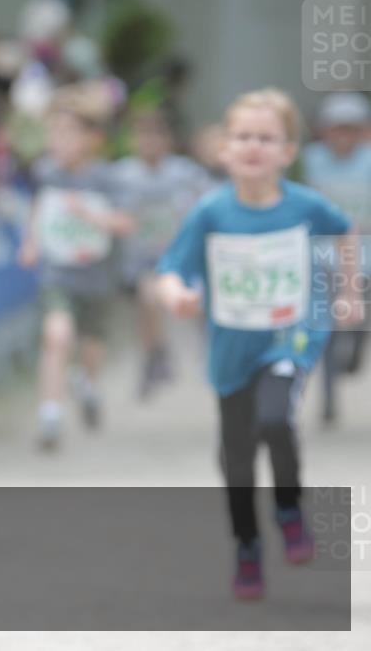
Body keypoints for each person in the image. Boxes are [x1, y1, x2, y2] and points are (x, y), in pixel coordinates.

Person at [156, 89, 364, 600]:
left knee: (276, 416)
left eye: (266, 138)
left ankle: (289, 509)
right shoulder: (211, 211)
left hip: (288, 335)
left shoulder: (304, 204)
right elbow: (170, 270)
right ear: (224, 149)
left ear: (288, 151)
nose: (254, 146)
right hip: (231, 350)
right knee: (238, 461)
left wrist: (349, 291)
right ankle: (247, 546)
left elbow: (347, 231)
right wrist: (178, 295)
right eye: (243, 136)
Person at [17, 88, 133, 450]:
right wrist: (31, 241)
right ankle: (50, 414)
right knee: (57, 336)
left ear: (93, 139)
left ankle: (89, 386)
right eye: (54, 132)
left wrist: (92, 216)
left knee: (92, 344)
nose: (58, 141)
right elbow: (40, 205)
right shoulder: (46, 171)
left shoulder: (107, 178)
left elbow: (126, 222)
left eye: (68, 133)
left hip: (97, 275)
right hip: (58, 273)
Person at [113, 108, 212, 399]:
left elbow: (209, 200)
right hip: (143, 260)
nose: (150, 143)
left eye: (156, 136)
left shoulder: (185, 172)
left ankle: (208, 350)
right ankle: (154, 354)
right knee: (148, 299)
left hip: (182, 257)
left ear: (167, 141)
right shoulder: (122, 174)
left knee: (198, 301)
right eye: (143, 136)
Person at [301, 93, 371, 426]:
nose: (343, 137)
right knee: (327, 325)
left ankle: (358, 346)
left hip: (365, 249)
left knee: (359, 315)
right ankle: (329, 397)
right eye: (336, 129)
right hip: (323, 251)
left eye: (351, 129)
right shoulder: (310, 160)